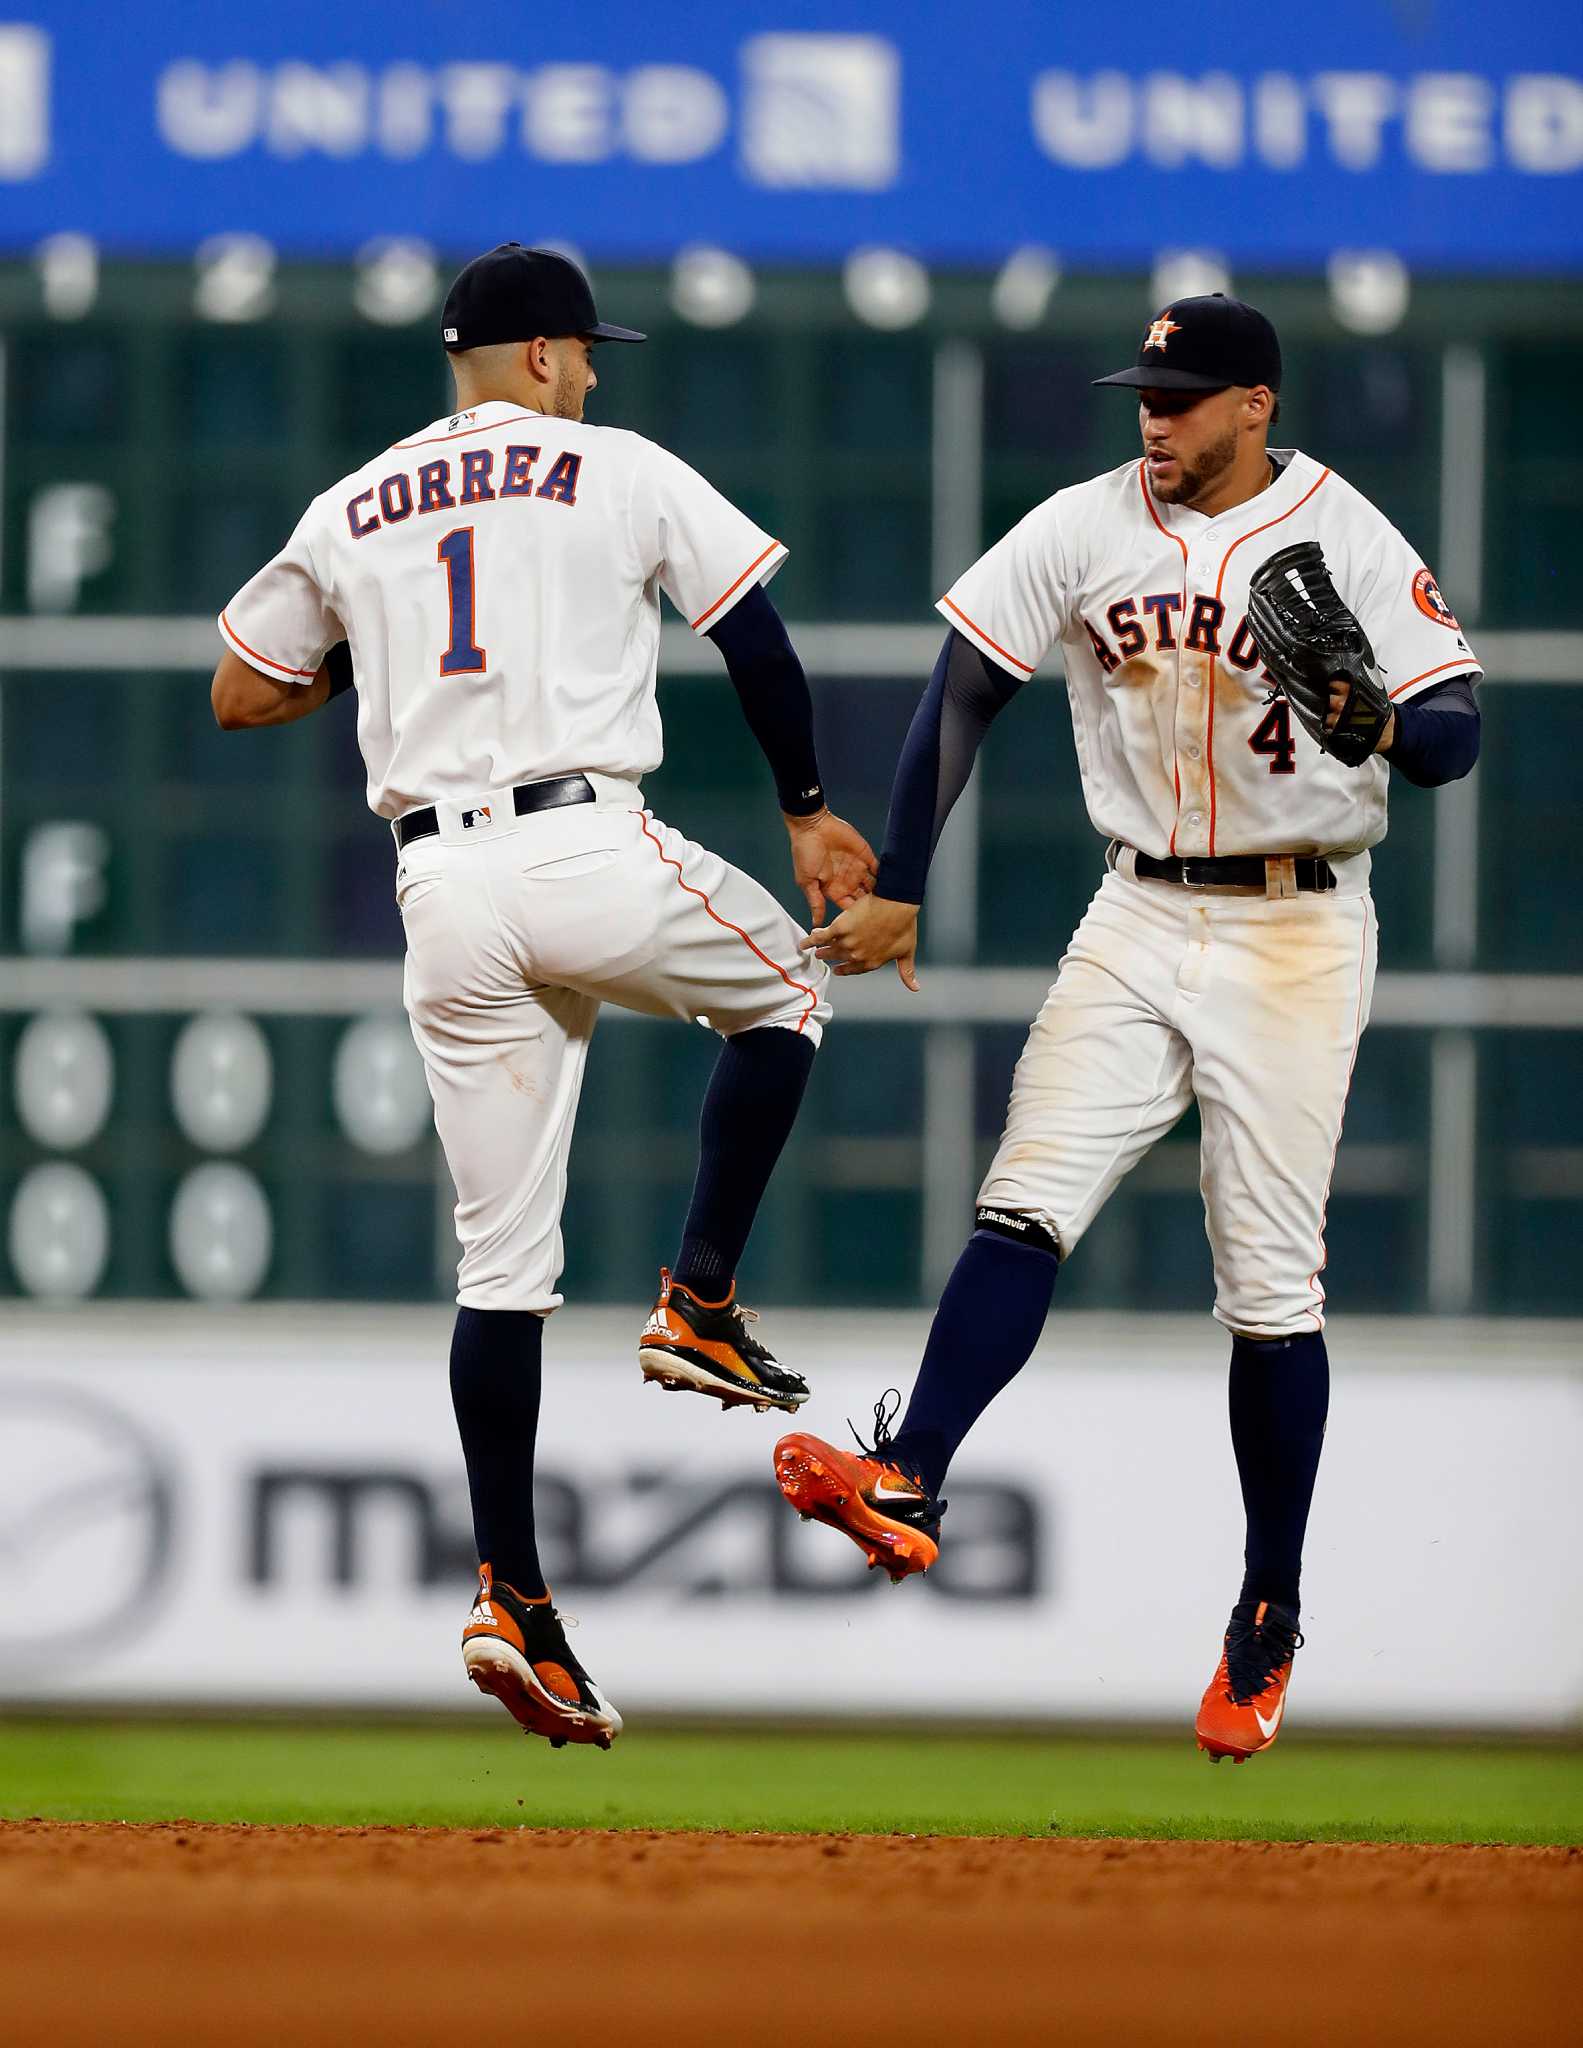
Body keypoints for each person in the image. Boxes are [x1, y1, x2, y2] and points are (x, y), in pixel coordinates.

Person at [773, 294, 1482, 1762]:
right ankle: (910, 1474)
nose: (1154, 418)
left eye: (1185, 396)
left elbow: (1456, 733)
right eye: (1145, 393)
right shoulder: (1086, 525)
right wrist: (903, 882)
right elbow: (962, 687)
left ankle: (1269, 1609)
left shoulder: (1346, 533)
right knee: (1024, 1193)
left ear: (1257, 406)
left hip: (1298, 922)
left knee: (1270, 1286)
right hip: (1139, 908)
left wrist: (1387, 724)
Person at [210, 244, 875, 1749]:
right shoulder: (613, 463)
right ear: (533, 357)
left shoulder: (353, 503)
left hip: (436, 889)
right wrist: (810, 807)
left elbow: (240, 688)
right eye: (580, 351)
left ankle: (513, 1596)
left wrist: (370, 658)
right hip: (581, 838)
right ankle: (700, 1298)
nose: (593, 372)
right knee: (787, 992)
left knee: (500, 1270)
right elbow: (751, 635)